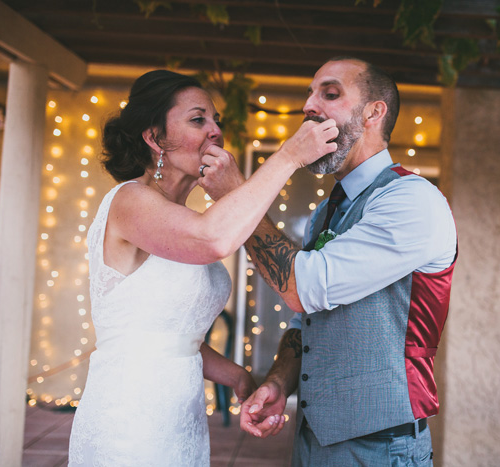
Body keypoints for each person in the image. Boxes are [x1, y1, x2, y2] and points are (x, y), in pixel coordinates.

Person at [67, 69, 338, 466]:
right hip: (129, 413)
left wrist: (238, 377)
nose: (215, 131)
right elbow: (214, 238)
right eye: (198, 120)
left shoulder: (178, 217)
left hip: (182, 417)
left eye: (217, 121)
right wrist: (289, 156)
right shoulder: (130, 201)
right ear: (155, 138)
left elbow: (170, 334)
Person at [200, 57, 457, 466]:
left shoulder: (413, 200)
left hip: (379, 447)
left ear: (374, 112)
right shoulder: (327, 211)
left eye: (330, 94)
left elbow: (304, 288)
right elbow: (308, 323)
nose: (309, 106)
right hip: (312, 437)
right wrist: (280, 381)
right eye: (310, 94)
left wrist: (239, 194)